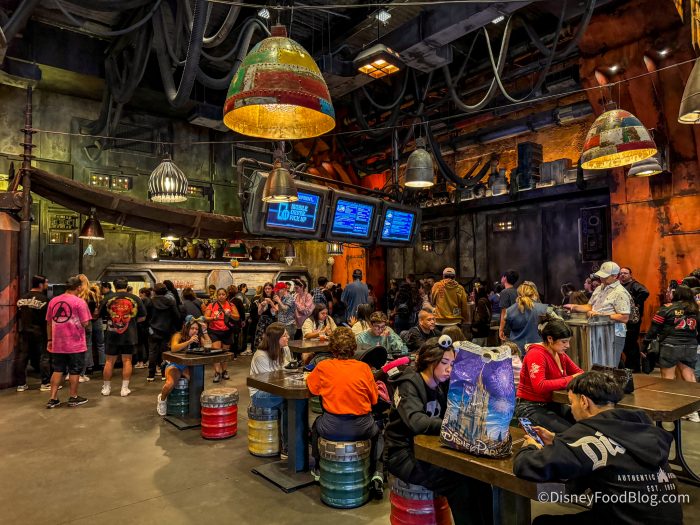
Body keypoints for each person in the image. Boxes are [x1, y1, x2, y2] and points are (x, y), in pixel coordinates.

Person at [514, 371, 683, 525]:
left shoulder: (585, 433)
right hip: (670, 518)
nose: (571, 409)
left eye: (571, 402)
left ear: (584, 401)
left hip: (621, 520)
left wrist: (530, 447)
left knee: (542, 522)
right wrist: (558, 439)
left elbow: (528, 466)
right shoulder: (640, 425)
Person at [386, 337, 493, 525]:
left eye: (452, 364)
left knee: (479, 478)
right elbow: (417, 422)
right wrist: (454, 424)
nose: (449, 369)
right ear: (429, 361)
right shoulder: (408, 384)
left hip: (430, 449)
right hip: (402, 453)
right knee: (458, 484)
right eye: (444, 363)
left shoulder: (441, 384)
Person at [308, 327, 384, 498]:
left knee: (316, 425)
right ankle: (377, 472)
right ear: (354, 348)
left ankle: (318, 468)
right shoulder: (364, 368)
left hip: (331, 426)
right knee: (378, 433)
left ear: (331, 348)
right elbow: (374, 400)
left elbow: (312, 389)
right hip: (362, 427)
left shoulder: (323, 366)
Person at [514, 320, 583, 432]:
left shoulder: (560, 354)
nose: (568, 345)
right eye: (564, 342)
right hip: (530, 407)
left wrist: (577, 377)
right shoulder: (536, 354)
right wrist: (571, 378)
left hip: (552, 404)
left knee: (585, 423)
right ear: (550, 338)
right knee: (570, 432)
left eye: (568, 341)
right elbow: (540, 386)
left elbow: (579, 373)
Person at [643, 285, 699, 421]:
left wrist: (645, 345)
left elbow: (654, 329)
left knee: (667, 379)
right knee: (689, 377)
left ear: (677, 294)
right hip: (690, 346)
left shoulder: (666, 308)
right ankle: (693, 411)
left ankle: (667, 410)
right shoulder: (696, 310)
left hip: (670, 346)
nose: (669, 294)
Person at [565, 261, 631, 367]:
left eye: (605, 276)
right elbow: (590, 307)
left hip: (614, 334)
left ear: (615, 276)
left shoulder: (620, 292)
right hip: (597, 332)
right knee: (597, 365)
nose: (602, 278)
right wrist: (574, 306)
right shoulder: (600, 288)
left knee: (609, 366)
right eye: (601, 275)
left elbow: (624, 317)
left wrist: (599, 316)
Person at [45, 276, 92, 408]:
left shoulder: (54, 301)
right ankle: (73, 397)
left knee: (57, 369)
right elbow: (85, 323)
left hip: (58, 343)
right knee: (74, 371)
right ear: (79, 287)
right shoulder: (80, 302)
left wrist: (50, 339)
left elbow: (49, 322)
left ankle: (53, 398)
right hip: (75, 343)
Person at [249, 322, 292, 458]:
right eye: (284, 335)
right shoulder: (260, 356)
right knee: (290, 401)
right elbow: (271, 383)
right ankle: (287, 447)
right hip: (260, 394)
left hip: (278, 389)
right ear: (275, 339)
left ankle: (298, 437)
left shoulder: (284, 349)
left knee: (296, 400)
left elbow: (288, 370)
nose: (288, 337)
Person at [99, 278, 146, 397]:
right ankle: (124, 389)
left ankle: (106, 388)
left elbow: (100, 314)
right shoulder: (135, 298)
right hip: (129, 334)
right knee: (127, 360)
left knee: (109, 361)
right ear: (127, 285)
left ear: (114, 286)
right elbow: (143, 317)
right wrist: (131, 321)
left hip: (112, 333)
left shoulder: (108, 298)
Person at [156, 318, 211, 416]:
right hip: (174, 364)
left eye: (196, 329)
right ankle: (162, 400)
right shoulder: (178, 335)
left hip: (188, 366)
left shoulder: (198, 337)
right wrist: (189, 341)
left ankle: (194, 407)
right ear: (187, 328)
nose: (194, 331)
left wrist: (205, 331)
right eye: (192, 328)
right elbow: (174, 348)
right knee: (170, 384)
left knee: (196, 383)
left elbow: (209, 345)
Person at [15, 275, 49, 391]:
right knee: (44, 357)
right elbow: (47, 319)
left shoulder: (22, 299)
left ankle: (21, 384)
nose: (47, 285)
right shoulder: (44, 300)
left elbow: (19, 316)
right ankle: (45, 383)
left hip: (25, 331)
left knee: (23, 357)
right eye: (46, 282)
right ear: (40, 285)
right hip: (40, 332)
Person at [147, 283, 181, 382]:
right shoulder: (170, 302)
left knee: (152, 352)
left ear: (154, 291)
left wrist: (149, 329)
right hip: (166, 330)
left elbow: (146, 317)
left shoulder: (150, 302)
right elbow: (177, 316)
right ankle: (164, 373)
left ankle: (151, 375)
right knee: (165, 353)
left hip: (152, 331)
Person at [618, 267, 650, 373]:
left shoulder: (634, 285)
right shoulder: (619, 286)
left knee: (631, 343)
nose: (623, 275)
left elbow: (645, 292)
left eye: (625, 273)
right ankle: (630, 366)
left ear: (630, 275)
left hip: (633, 321)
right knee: (626, 343)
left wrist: (635, 302)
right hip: (624, 319)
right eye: (621, 273)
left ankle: (634, 367)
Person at [504, 281, 550, 353]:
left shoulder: (508, 311)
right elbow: (558, 324)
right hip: (537, 349)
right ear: (534, 294)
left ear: (518, 294)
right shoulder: (544, 309)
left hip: (517, 350)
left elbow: (507, 331)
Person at [204, 288, 238, 382]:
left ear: (226, 295)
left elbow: (237, 317)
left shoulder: (231, 305)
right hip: (214, 331)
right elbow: (205, 318)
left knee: (225, 353)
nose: (221, 296)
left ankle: (224, 371)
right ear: (217, 295)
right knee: (216, 352)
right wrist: (213, 318)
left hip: (227, 331)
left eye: (223, 294)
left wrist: (230, 314)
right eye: (219, 294)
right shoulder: (212, 305)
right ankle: (217, 372)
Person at [77, 274, 97, 382]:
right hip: (87, 322)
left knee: (73, 349)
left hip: (74, 323)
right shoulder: (90, 294)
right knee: (86, 348)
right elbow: (94, 308)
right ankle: (81, 374)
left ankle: (71, 373)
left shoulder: (74, 294)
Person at [253, 282, 278, 350]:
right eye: (265, 289)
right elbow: (259, 312)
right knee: (260, 338)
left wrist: (271, 302)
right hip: (262, 320)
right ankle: (259, 353)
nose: (267, 290)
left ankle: (271, 353)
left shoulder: (275, 298)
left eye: (269, 288)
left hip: (272, 321)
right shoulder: (261, 298)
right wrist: (261, 305)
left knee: (271, 338)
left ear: (272, 289)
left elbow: (276, 311)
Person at [498, 269, 519, 341]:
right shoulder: (517, 291)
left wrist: (501, 330)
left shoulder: (504, 292)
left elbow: (504, 313)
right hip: (517, 328)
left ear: (505, 278)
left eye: (502, 276)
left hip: (508, 330)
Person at [135, 287, 152, 369]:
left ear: (144, 293)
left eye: (140, 293)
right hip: (149, 326)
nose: (139, 295)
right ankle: (148, 361)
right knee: (147, 344)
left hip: (141, 325)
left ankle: (140, 362)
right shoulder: (151, 301)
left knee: (140, 344)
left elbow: (140, 314)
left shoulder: (142, 301)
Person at [235, 283, 252, 355]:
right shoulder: (240, 295)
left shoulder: (243, 295)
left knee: (245, 333)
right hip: (242, 316)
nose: (246, 288)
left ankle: (243, 348)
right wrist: (247, 305)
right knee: (242, 333)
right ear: (244, 287)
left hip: (245, 315)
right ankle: (241, 349)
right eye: (246, 287)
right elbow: (239, 305)